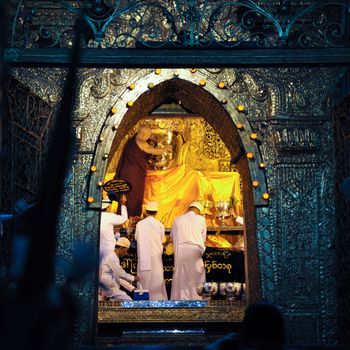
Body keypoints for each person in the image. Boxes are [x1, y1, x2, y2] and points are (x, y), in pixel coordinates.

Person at [115, 126, 172, 217]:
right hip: (134, 176)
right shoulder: (140, 142)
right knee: (134, 198)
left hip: (126, 174)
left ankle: (122, 218)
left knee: (125, 197)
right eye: (148, 135)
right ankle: (132, 219)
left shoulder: (131, 142)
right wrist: (166, 148)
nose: (148, 137)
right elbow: (154, 151)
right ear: (144, 134)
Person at [170, 201, 207, 300]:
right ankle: (197, 299)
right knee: (197, 276)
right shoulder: (201, 219)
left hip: (181, 250)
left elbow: (172, 237)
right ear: (198, 211)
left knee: (181, 277)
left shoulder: (177, 220)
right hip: (195, 249)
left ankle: (180, 300)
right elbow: (203, 237)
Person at [134, 201, 168, 300]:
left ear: (146, 212)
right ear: (156, 213)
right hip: (156, 256)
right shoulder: (159, 225)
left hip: (144, 256)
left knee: (144, 281)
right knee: (157, 280)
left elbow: (136, 238)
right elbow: (162, 240)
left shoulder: (140, 224)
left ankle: (143, 301)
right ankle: (158, 302)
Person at [99, 237, 140, 301]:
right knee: (129, 301)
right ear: (121, 248)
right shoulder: (112, 257)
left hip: (110, 289)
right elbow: (120, 274)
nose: (126, 253)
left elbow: (118, 277)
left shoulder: (114, 257)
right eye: (125, 251)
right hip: (109, 289)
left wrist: (132, 288)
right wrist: (133, 278)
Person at [99, 194, 128, 263]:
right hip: (108, 250)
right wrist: (123, 204)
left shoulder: (93, 216)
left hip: (95, 249)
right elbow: (124, 218)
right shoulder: (109, 217)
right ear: (108, 207)